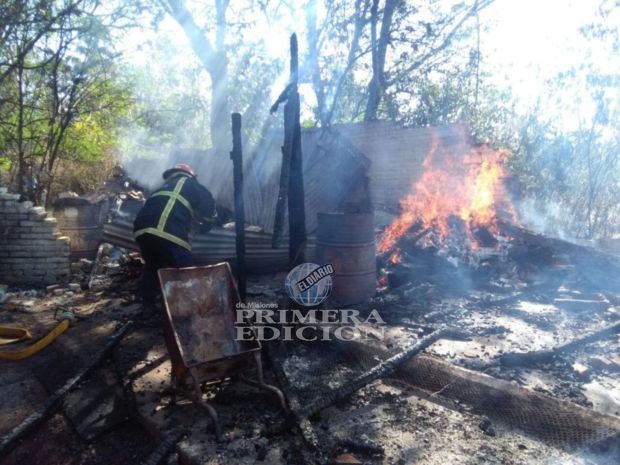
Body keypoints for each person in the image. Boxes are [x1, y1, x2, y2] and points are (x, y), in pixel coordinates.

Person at [133, 163, 217, 306]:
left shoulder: (162, 188)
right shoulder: (189, 183)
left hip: (142, 231)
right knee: (185, 267)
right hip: (166, 230)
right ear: (190, 175)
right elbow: (208, 201)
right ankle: (193, 304)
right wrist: (208, 224)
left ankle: (147, 303)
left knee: (153, 265)